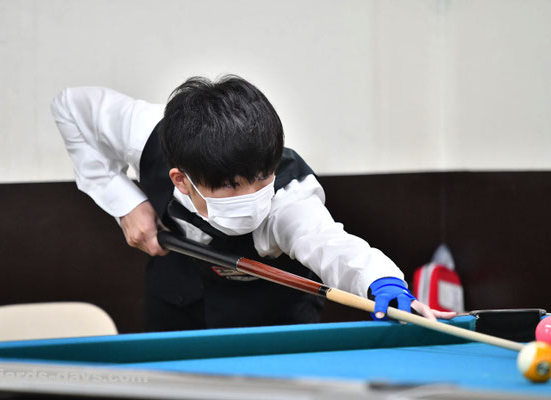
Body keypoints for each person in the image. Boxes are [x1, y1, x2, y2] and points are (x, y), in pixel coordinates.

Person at [51, 75, 455, 331]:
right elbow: (69, 107)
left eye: (262, 177)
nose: (252, 197)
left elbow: (327, 242)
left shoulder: (288, 197)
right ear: (181, 180)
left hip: (274, 318)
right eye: (230, 187)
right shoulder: (145, 133)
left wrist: (381, 281)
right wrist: (125, 202)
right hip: (176, 298)